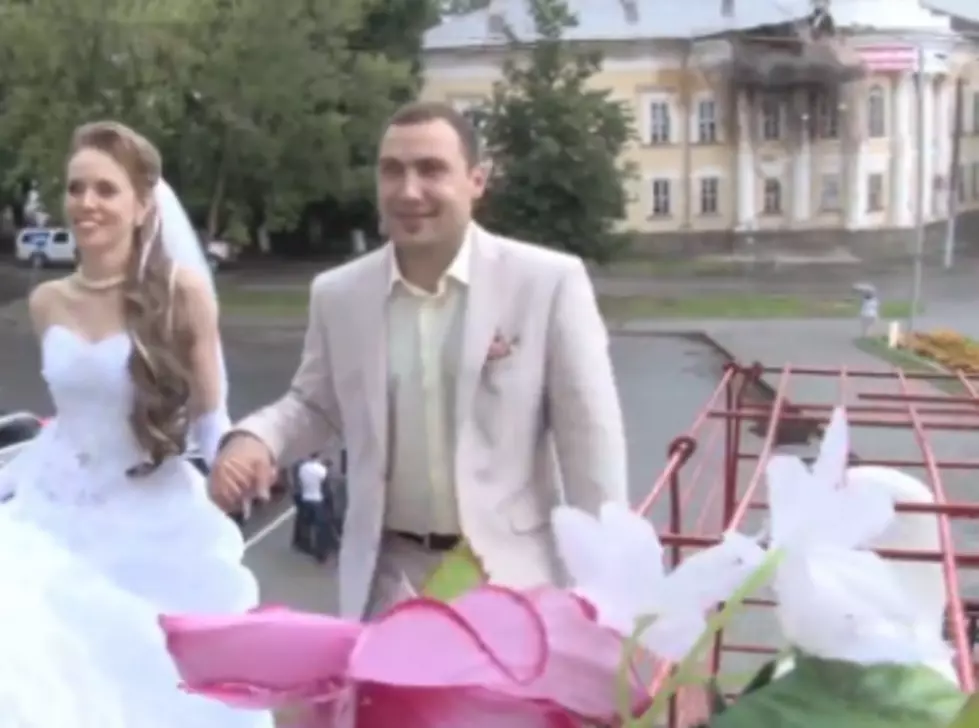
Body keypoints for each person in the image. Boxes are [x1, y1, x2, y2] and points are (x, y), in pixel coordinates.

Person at [211, 100, 628, 618]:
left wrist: (611, 594)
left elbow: (592, 442)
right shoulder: (338, 294)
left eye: (431, 169)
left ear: (476, 180)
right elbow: (315, 405)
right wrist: (257, 439)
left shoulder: (547, 283)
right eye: (392, 171)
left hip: (510, 581)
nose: (409, 192)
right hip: (389, 583)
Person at [0, 120, 271, 727]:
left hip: (149, 513)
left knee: (147, 684)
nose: (86, 203)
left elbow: (209, 416)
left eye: (105, 189)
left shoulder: (184, 294)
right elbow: (70, 413)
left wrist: (232, 459)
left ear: (143, 204)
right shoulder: (48, 303)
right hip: (51, 508)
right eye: (75, 188)